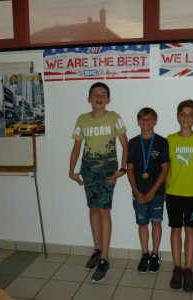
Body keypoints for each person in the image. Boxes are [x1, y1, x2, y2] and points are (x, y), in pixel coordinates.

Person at [69, 82, 128, 283]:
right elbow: (77, 146)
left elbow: (125, 145)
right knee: (93, 209)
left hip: (107, 172)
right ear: (89, 99)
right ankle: (96, 250)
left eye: (103, 94)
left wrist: (123, 169)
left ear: (108, 99)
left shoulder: (115, 118)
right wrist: (71, 170)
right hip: (88, 171)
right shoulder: (82, 119)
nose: (99, 97)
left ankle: (104, 258)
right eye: (95, 94)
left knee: (104, 211)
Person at [166, 99, 193, 292]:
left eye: (190, 114)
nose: (186, 118)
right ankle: (177, 267)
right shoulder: (170, 139)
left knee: (190, 230)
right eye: (182, 114)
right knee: (176, 229)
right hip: (173, 193)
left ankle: (188, 268)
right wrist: (164, 190)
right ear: (177, 116)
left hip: (192, 194)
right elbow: (166, 168)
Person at [127, 107, 169, 273]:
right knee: (142, 223)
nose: (146, 122)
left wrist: (152, 191)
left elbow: (165, 169)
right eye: (142, 119)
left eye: (149, 119)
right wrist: (136, 191)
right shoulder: (133, 143)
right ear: (138, 122)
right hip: (138, 191)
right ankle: (144, 254)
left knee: (156, 222)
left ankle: (155, 254)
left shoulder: (162, 142)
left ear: (155, 121)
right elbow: (129, 169)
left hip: (156, 192)